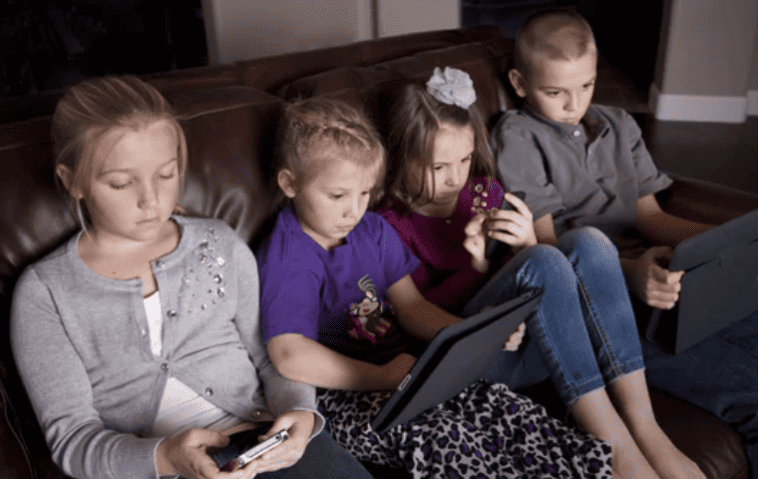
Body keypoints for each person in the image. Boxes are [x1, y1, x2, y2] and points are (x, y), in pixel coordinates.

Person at [10, 75, 375, 479]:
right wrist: (164, 457)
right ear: (71, 180)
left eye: (166, 175)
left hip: (261, 441)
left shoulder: (218, 242)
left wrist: (301, 412)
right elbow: (74, 440)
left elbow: (270, 357)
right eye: (121, 183)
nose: (151, 200)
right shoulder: (44, 292)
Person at [257, 96, 612, 479]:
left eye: (365, 194)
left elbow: (411, 307)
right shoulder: (288, 256)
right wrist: (386, 377)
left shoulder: (373, 230)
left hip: (410, 371)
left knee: (505, 408)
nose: (353, 210)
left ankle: (603, 471)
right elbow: (289, 355)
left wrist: (474, 333)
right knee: (446, 438)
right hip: (340, 393)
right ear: (290, 183)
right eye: (338, 196)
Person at [376, 66, 703, 479]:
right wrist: (488, 270)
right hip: (469, 359)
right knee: (545, 261)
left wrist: (523, 245)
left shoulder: (482, 192)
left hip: (535, 343)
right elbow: (415, 313)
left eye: (463, 159)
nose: (455, 178)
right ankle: (615, 448)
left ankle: (645, 427)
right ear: (401, 156)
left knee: (588, 241)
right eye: (438, 167)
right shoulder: (387, 226)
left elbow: (530, 283)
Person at [492, 7, 758, 479]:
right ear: (519, 82)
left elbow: (651, 216)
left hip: (663, 277)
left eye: (586, 86)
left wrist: (726, 245)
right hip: (603, 299)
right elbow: (552, 247)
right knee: (744, 394)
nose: (574, 104)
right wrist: (633, 273)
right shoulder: (519, 135)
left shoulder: (620, 125)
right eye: (555, 92)